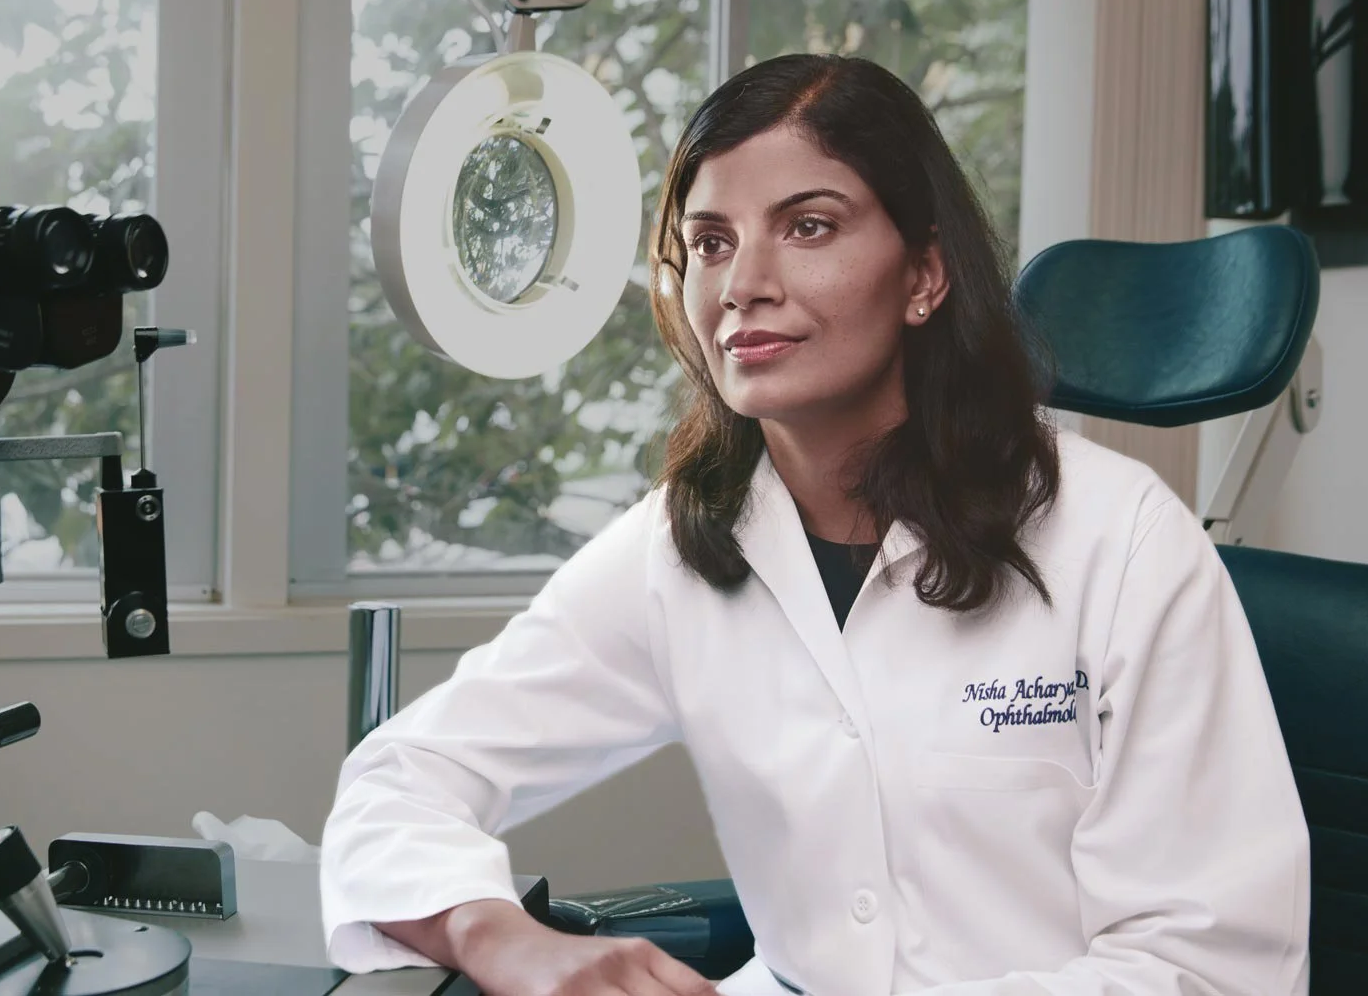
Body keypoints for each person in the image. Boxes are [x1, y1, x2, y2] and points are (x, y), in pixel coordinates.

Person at [319, 54, 1310, 996]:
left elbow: (1209, 968)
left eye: (809, 225)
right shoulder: (684, 544)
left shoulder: (1124, 538)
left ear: (924, 276)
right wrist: (510, 940)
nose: (743, 281)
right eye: (711, 241)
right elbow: (396, 782)